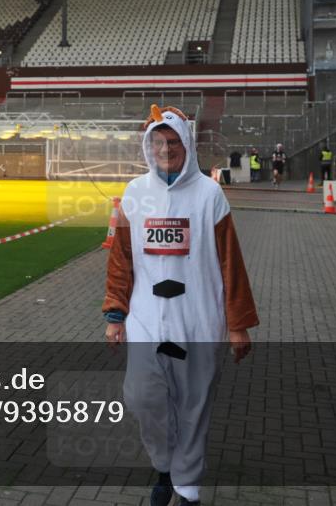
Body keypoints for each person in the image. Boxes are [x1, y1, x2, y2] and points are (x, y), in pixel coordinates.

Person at [103, 105, 259, 506]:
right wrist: (116, 313)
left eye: (173, 142)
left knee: (193, 401)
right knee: (141, 396)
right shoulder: (136, 193)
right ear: (148, 146)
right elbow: (121, 256)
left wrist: (237, 322)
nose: (165, 149)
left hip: (198, 317)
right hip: (145, 317)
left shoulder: (210, 194)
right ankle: (164, 464)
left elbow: (231, 260)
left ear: (186, 144)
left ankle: (185, 486)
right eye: (158, 142)